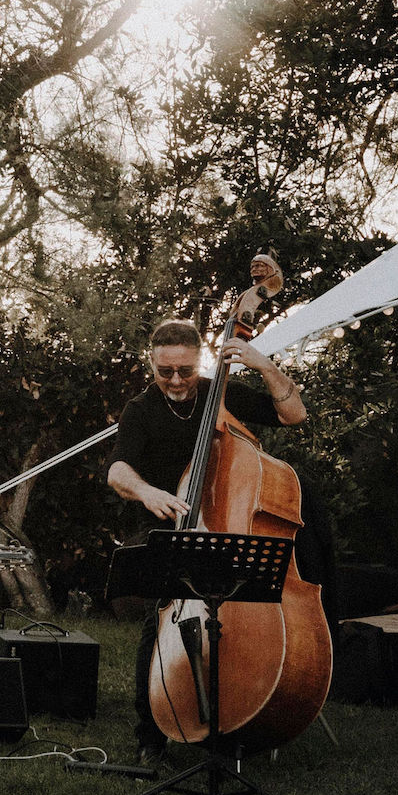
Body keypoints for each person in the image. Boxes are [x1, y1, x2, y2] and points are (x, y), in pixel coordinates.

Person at [106, 318, 308, 766]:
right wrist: (146, 491)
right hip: (173, 527)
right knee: (160, 616)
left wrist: (264, 365)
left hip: (233, 524)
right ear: (152, 364)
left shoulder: (222, 393)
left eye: (185, 370)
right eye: (165, 372)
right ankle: (151, 734)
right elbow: (117, 469)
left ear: (198, 361)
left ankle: (249, 712)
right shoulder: (141, 409)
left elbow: (293, 414)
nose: (176, 381)